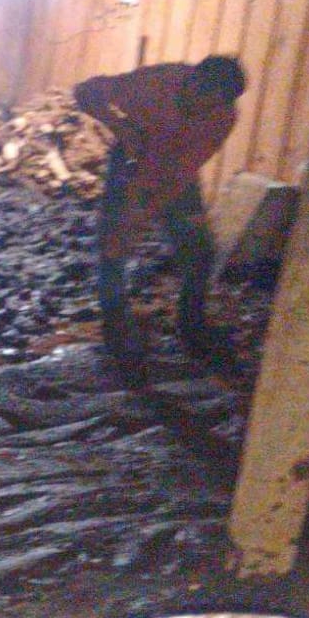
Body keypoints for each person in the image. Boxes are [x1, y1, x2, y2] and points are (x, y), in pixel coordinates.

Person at [72, 56, 248, 389]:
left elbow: (181, 174)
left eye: (217, 105)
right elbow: (85, 91)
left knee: (201, 253)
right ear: (193, 83)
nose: (207, 110)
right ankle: (116, 329)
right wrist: (120, 126)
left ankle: (192, 326)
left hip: (174, 172)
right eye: (206, 101)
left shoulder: (222, 116)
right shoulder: (155, 84)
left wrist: (144, 212)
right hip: (130, 159)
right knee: (113, 248)